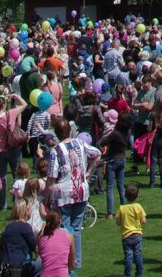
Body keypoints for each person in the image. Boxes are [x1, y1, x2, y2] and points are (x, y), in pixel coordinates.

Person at [45, 117, 99, 277]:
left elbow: (51, 177)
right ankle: (75, 261)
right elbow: (97, 154)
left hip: (64, 194)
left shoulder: (56, 151)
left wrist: (47, 197)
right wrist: (88, 172)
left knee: (64, 229)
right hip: (81, 192)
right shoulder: (80, 144)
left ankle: (66, 264)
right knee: (76, 229)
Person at [0, 201, 38, 277]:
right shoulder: (25, 227)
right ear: (25, 211)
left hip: (0, 266)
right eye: (30, 209)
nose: (31, 211)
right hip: (14, 268)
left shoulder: (9, 226)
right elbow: (37, 249)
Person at [114, 184, 146, 277]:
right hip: (137, 234)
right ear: (138, 195)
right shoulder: (138, 206)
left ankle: (128, 274)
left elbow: (118, 222)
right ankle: (139, 274)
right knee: (138, 255)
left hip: (126, 236)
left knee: (128, 256)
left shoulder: (122, 208)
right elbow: (143, 221)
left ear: (125, 195)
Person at [36, 207, 74, 277]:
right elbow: (71, 262)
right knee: (73, 273)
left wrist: (42, 229)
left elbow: (41, 257)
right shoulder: (69, 236)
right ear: (60, 221)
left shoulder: (41, 238)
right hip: (62, 274)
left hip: (45, 274)